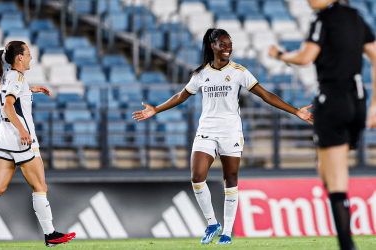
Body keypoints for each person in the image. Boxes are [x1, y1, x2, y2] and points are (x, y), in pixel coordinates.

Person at [133, 28, 313, 244]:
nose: (228, 49)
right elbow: (181, 95)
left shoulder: (239, 71)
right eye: (223, 45)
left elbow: (265, 95)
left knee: (231, 179)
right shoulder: (200, 74)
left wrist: (295, 111)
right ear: (213, 46)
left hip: (231, 130)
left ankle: (227, 232)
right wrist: (156, 109)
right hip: (207, 130)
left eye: (230, 45)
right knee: (197, 177)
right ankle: (212, 223)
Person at [269, 1, 376, 249]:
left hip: (333, 99)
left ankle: (347, 244)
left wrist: (279, 55)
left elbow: (306, 57)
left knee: (333, 177)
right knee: (330, 170)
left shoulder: (323, 18)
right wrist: (374, 105)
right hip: (357, 101)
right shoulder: (357, 17)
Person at [0, 41, 76, 247]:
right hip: (21, 141)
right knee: (40, 186)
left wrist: (29, 90)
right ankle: (51, 235)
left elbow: (7, 93)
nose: (31, 57)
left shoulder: (7, 75)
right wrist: (23, 130)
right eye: (28, 53)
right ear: (20, 57)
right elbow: (8, 105)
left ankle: (51, 235)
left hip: (4, 138)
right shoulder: (17, 77)